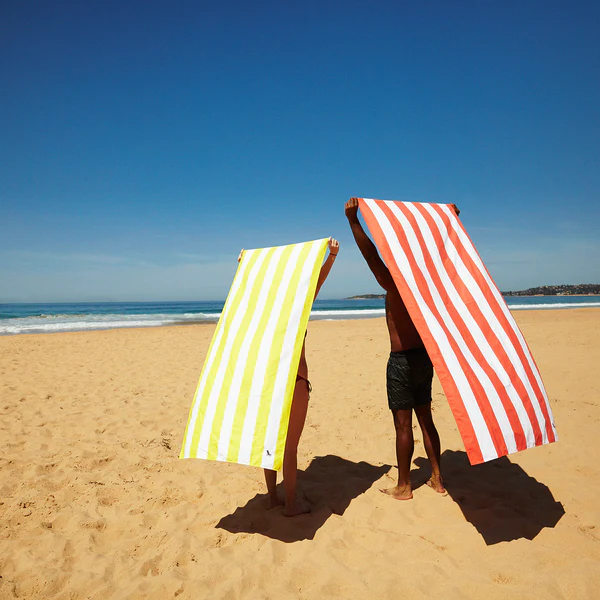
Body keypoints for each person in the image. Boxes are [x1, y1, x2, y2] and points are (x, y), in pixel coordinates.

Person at [344, 198, 457, 500]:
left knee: (403, 425)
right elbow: (443, 253)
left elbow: (370, 256)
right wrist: (450, 223)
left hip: (402, 362)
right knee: (426, 419)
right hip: (425, 359)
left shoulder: (395, 284)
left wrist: (353, 220)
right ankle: (438, 479)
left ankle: (404, 485)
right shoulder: (427, 283)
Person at [239, 237, 339, 516]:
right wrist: (330, 256)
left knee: (270, 443)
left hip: (268, 380)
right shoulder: (296, 309)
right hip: (294, 381)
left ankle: (273, 497)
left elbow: (244, 295)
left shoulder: (261, 312)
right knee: (290, 447)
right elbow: (315, 284)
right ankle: (291, 506)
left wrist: (244, 268)